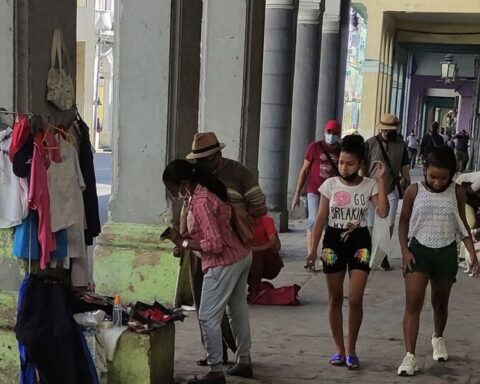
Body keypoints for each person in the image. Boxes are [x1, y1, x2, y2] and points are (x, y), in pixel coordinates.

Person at [163, 160, 254, 384]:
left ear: (184, 183)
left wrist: (183, 243)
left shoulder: (201, 201)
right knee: (238, 311)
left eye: (173, 189)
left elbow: (214, 244)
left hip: (223, 261)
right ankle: (244, 361)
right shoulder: (207, 189)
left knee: (207, 316)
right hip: (240, 255)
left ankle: (215, 370)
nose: (174, 195)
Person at [305, 134, 389, 370]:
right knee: (334, 299)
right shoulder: (329, 185)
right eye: (341, 162)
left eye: (350, 163)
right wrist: (313, 250)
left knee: (355, 299)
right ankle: (339, 350)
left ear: (361, 163)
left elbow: (382, 212)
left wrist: (381, 181)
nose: (344, 167)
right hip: (332, 242)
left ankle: (352, 349)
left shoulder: (369, 185)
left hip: (360, 242)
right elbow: (320, 219)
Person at [185, 132, 267, 372]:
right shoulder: (197, 177)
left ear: (217, 156)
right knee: (222, 306)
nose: (200, 165)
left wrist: (239, 221)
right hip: (205, 251)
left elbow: (259, 206)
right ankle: (228, 356)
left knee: (211, 312)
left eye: (204, 159)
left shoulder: (238, 173)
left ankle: (217, 367)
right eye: (197, 160)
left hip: (226, 251)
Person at [397, 146, 479, 377]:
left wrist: (472, 252)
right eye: (432, 177)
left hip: (445, 253)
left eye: (443, 178)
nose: (437, 182)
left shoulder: (457, 193)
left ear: (452, 175)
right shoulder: (414, 192)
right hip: (418, 252)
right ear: (425, 171)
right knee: (413, 303)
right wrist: (404, 251)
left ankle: (438, 338)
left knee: (440, 303)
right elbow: (403, 222)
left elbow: (462, 223)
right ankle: (410, 356)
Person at [291, 120, 342, 270]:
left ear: (338, 135)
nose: (331, 136)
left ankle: (324, 255)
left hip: (332, 193)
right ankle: (310, 255)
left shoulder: (341, 150)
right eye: (329, 132)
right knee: (313, 220)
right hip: (314, 191)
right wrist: (296, 195)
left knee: (328, 224)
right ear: (324, 131)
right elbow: (304, 170)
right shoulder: (315, 147)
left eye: (334, 133)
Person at [365, 113, 411, 270]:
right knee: (371, 225)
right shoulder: (370, 144)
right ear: (381, 129)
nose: (389, 133)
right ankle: (372, 251)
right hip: (372, 191)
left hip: (391, 189)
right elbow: (362, 167)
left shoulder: (401, 145)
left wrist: (408, 184)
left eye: (392, 130)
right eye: (387, 130)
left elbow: (404, 167)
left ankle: (383, 254)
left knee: (388, 224)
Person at [248, 214, 283, 296]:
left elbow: (276, 245)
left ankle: (255, 288)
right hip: (246, 259)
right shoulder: (241, 222)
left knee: (256, 255)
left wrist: (254, 249)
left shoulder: (266, 220)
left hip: (268, 263)